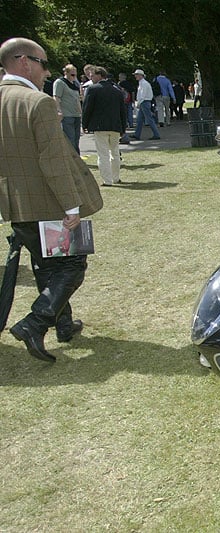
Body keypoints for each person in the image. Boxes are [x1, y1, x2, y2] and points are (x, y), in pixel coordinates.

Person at [0, 37, 103, 362]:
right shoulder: (38, 102)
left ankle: (63, 325)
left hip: (17, 204)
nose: (47, 72)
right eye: (43, 64)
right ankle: (36, 322)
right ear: (24, 62)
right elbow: (53, 161)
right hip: (49, 203)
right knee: (73, 265)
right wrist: (71, 207)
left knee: (47, 265)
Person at [82, 66, 126, 186]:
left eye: (93, 75)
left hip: (99, 126)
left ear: (100, 75)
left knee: (103, 154)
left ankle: (107, 180)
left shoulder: (93, 89)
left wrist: (84, 124)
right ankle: (116, 177)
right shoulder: (117, 91)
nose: (91, 77)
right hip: (115, 126)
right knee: (115, 152)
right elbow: (123, 111)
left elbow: (87, 108)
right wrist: (123, 127)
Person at [52, 63, 82, 154]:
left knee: (76, 139)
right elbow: (56, 97)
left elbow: (77, 99)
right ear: (66, 73)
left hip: (76, 115)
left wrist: (81, 112)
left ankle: (77, 159)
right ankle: (71, 160)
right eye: (72, 74)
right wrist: (58, 111)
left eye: (75, 74)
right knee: (70, 139)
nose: (74, 76)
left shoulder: (75, 84)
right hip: (66, 115)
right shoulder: (60, 82)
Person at [132, 68, 160, 140]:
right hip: (144, 102)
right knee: (139, 120)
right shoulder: (142, 83)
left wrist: (138, 103)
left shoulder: (144, 84)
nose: (135, 76)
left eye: (136, 75)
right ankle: (137, 135)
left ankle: (156, 134)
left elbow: (143, 95)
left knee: (149, 119)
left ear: (141, 75)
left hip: (144, 102)